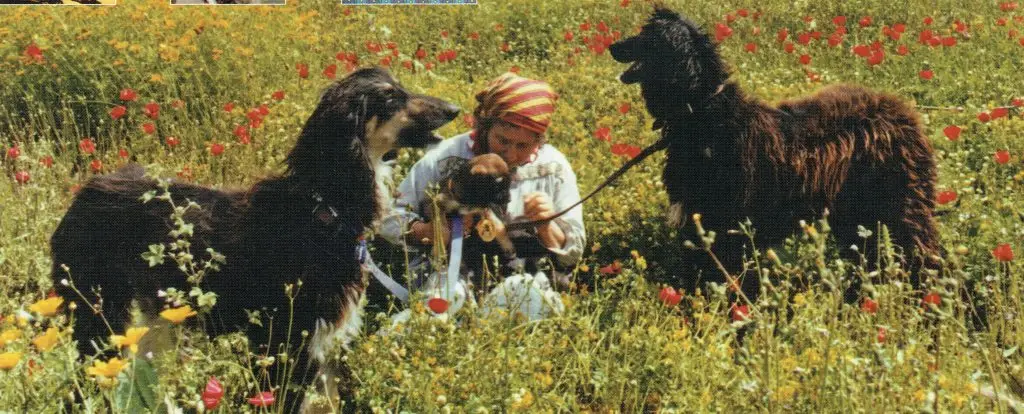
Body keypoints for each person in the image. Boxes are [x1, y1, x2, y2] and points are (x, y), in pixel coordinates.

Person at [379, 73, 585, 290]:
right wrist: (429, 231)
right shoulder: (446, 157)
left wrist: (547, 225)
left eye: (523, 146)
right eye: (502, 140)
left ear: (539, 141)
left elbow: (573, 253)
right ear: (485, 127)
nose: (510, 154)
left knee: (534, 300)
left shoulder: (553, 167)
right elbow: (389, 216)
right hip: (450, 271)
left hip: (524, 270)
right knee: (447, 301)